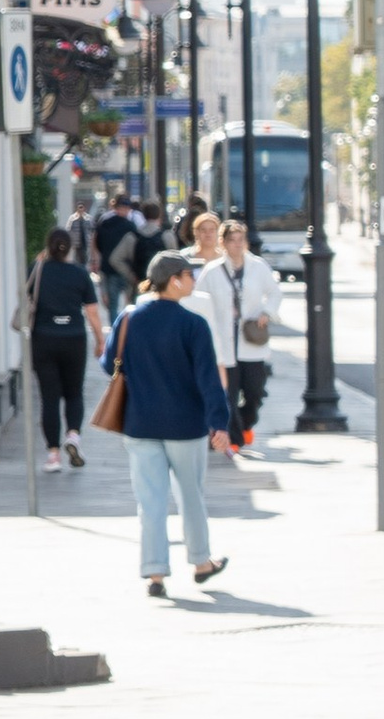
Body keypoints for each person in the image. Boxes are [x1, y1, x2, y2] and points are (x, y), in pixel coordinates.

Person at [103, 251, 234, 594]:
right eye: (190, 275)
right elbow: (209, 380)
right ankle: (201, 561)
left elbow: (108, 365)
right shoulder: (192, 325)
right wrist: (219, 424)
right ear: (174, 280)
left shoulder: (129, 318)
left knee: (150, 501)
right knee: (191, 495)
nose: (193, 281)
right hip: (185, 426)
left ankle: (155, 573)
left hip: (140, 423)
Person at [23, 225, 100, 469]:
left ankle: (53, 455)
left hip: (43, 339)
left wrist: (39, 261)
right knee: (74, 392)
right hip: (74, 338)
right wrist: (100, 340)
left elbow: (26, 297)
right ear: (70, 248)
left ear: (48, 246)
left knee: (49, 398)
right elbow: (92, 311)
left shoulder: (37, 270)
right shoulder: (79, 273)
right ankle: (73, 436)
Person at [222, 216, 280, 445]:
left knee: (255, 393)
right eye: (232, 240)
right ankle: (235, 438)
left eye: (241, 239)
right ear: (223, 243)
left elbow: (275, 292)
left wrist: (266, 312)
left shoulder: (258, 266)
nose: (237, 244)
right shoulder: (214, 269)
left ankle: (246, 423)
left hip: (251, 339)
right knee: (230, 394)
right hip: (225, 342)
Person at [183, 207, 240, 408]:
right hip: (193, 322)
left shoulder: (227, 261)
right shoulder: (185, 259)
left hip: (223, 325)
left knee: (226, 376)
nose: (208, 234)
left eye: (212, 229)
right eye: (203, 229)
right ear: (195, 232)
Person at [89, 189, 139, 328]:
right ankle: (128, 330)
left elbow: (97, 244)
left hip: (108, 269)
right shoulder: (130, 225)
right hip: (127, 269)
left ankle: (116, 331)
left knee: (112, 305)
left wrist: (97, 260)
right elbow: (135, 248)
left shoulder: (104, 222)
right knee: (131, 303)